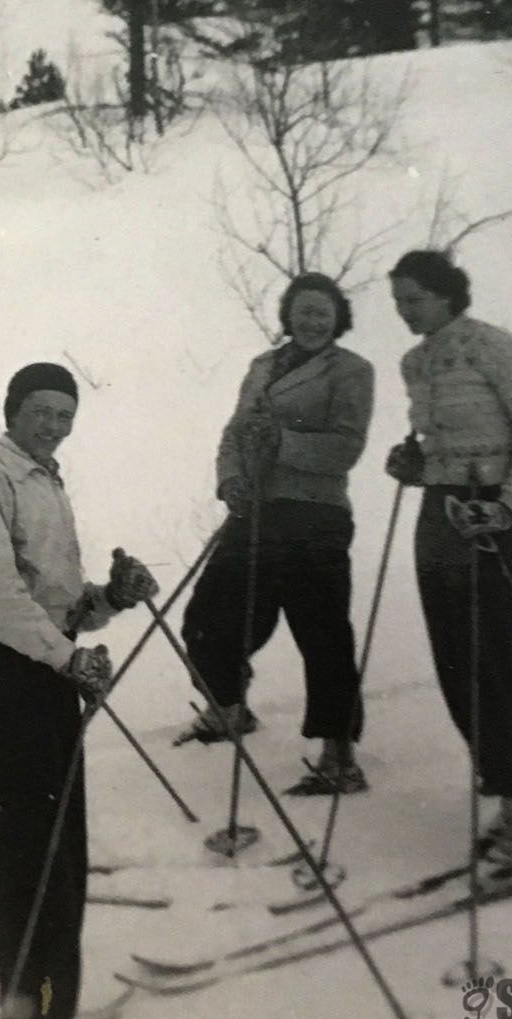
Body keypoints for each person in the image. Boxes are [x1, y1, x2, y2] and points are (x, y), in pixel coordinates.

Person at [0, 363, 159, 1019]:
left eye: (64, 415)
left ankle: (53, 1008)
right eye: (41, 411)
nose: (53, 425)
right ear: (11, 410)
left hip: (49, 676)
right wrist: (71, 659)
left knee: (63, 851)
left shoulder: (46, 483)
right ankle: (26, 1013)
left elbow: (57, 604)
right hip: (2, 677)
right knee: (26, 856)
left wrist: (110, 597)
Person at [384, 250, 512, 878]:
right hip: (440, 517)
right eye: (398, 301)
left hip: (494, 519)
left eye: (414, 299)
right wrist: (416, 468)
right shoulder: (415, 362)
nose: (404, 312)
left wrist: (508, 506)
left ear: (446, 294)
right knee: (455, 664)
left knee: (495, 663)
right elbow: (442, 449)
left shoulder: (494, 347)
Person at [177, 272, 376, 795]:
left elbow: (346, 448)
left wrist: (283, 441)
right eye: (304, 310)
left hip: (313, 515)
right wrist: (232, 480)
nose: (312, 321)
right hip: (255, 512)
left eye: (323, 313)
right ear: (288, 313)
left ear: (338, 319)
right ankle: (229, 708)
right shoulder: (262, 366)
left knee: (321, 633)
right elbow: (234, 432)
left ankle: (340, 755)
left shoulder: (351, 371)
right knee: (205, 616)